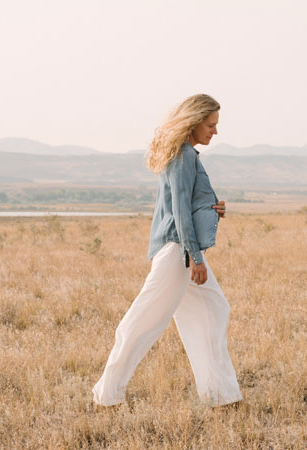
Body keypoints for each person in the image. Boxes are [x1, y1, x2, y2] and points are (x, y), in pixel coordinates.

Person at [91, 94, 243, 407]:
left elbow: (188, 205)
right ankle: (107, 395)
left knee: (213, 310)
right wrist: (196, 258)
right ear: (194, 122)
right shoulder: (183, 156)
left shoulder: (187, 155)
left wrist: (212, 208)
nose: (215, 131)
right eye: (211, 125)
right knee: (142, 322)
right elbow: (178, 212)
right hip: (178, 252)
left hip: (181, 250)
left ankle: (221, 395)